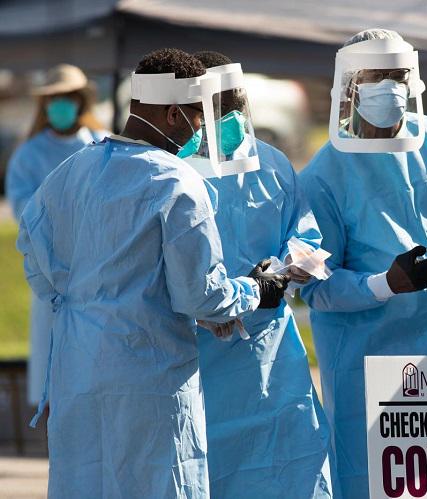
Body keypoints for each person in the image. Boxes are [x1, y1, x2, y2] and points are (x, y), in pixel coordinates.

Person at [16, 48, 288, 499]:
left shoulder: (69, 172)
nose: (202, 132)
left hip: (77, 372)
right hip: (150, 377)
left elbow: (33, 255)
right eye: (199, 119)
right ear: (175, 113)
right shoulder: (176, 182)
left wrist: (80, 304)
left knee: (86, 484)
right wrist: (254, 290)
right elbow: (200, 297)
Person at [299, 29, 427, 498]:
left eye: (398, 75)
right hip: (369, 363)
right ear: (350, 85)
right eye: (378, 76)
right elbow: (315, 286)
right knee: (378, 483)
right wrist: (384, 284)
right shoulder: (323, 175)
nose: (390, 86)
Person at [190, 51, 332, 499]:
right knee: (205, 467)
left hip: (269, 352)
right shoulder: (174, 172)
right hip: (198, 349)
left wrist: (290, 264)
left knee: (290, 462)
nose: (229, 118)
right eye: (218, 108)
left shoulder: (271, 164)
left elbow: (303, 234)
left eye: (236, 106)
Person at [5, 63, 107, 406]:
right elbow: (23, 208)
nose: (60, 105)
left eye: (67, 98)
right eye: (54, 99)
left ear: (80, 101)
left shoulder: (99, 145)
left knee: (96, 368)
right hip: (50, 273)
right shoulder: (29, 153)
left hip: (98, 270)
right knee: (52, 366)